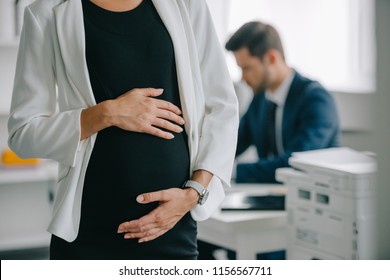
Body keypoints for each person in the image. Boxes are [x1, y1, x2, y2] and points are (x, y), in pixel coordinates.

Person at [7, 0, 238, 260]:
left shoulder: (187, 4)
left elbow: (222, 109)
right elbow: (23, 133)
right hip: (89, 230)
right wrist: (108, 113)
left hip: (171, 225)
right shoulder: (45, 13)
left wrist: (194, 193)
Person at [198, 21, 340, 260]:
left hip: (311, 213)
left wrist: (231, 171)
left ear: (271, 58)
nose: (243, 78)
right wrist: (206, 165)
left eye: (247, 68)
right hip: (268, 204)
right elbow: (232, 142)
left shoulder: (315, 99)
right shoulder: (261, 99)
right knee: (200, 239)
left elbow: (294, 164)